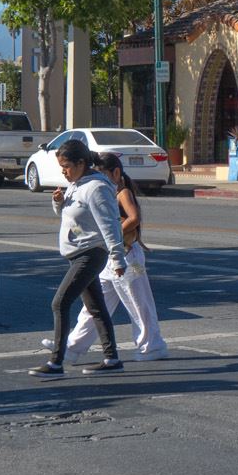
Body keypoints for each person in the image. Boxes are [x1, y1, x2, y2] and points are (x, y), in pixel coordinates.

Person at [56, 152, 168, 361]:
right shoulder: (103, 192)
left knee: (138, 302)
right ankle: (73, 346)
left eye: (102, 174)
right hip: (110, 257)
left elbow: (134, 218)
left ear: (116, 173)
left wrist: (113, 235)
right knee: (94, 306)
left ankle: (152, 345)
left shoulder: (121, 192)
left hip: (128, 256)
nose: (98, 178)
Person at [30, 140, 126, 378]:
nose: (63, 171)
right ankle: (112, 358)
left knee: (59, 303)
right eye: (61, 166)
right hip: (78, 254)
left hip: (91, 253)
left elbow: (111, 225)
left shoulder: (97, 188)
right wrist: (58, 203)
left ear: (82, 163)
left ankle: (55, 363)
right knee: (96, 307)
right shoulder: (76, 184)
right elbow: (70, 217)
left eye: (66, 166)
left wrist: (117, 259)